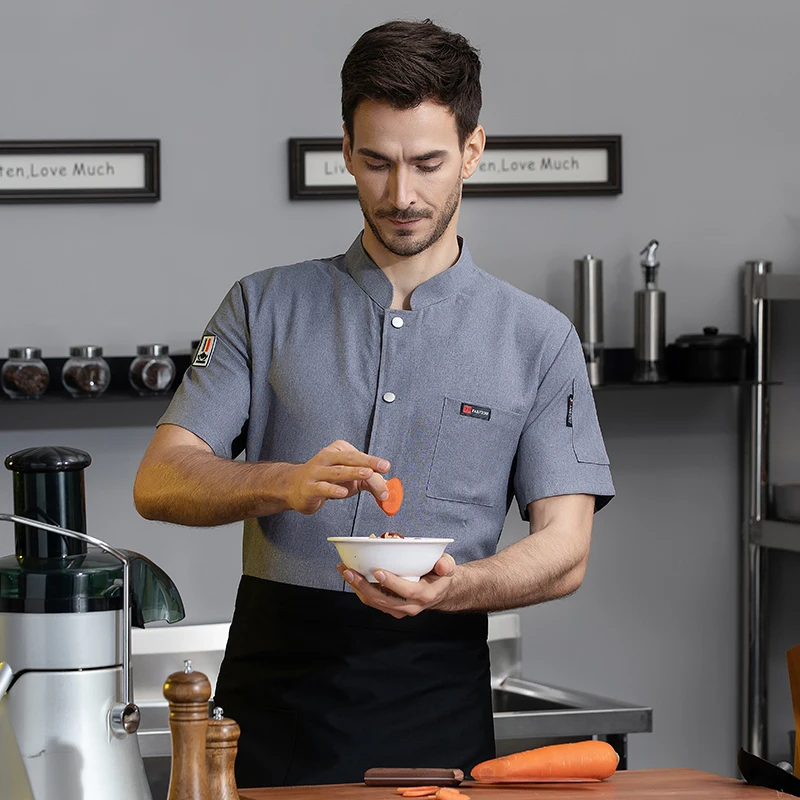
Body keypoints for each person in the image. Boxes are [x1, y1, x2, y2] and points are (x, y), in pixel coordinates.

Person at [134, 18, 615, 789]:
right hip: (271, 696)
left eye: (427, 163)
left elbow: (567, 549)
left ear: (473, 150)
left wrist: (457, 587)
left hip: (438, 689)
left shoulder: (538, 338)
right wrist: (281, 482)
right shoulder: (263, 306)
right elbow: (159, 480)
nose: (401, 195)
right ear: (346, 154)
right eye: (376, 163)